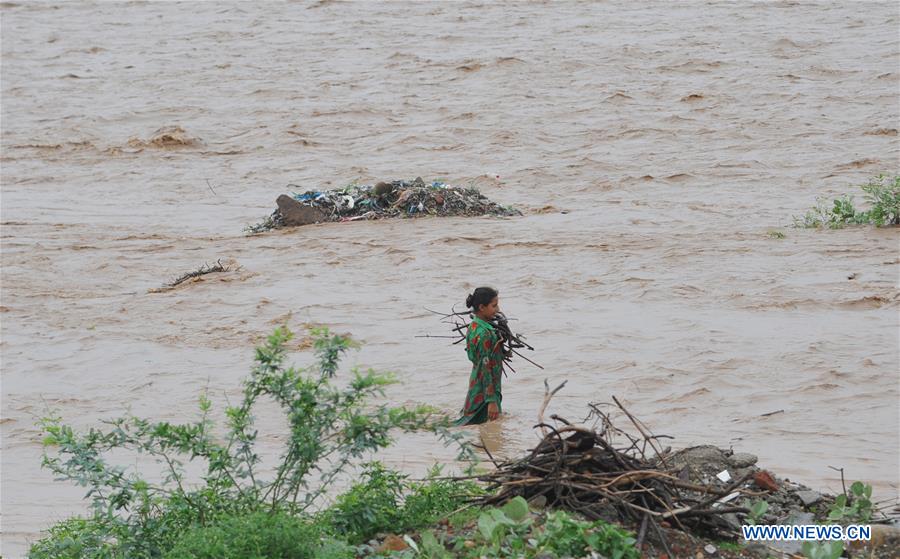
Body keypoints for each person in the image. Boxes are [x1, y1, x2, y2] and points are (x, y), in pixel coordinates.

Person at [455, 287, 505, 425]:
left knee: (475, 426)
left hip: (476, 385)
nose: (498, 309)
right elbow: (485, 368)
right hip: (485, 391)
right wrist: (491, 401)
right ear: (482, 307)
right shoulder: (484, 334)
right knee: (485, 426)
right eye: (494, 306)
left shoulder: (474, 327)